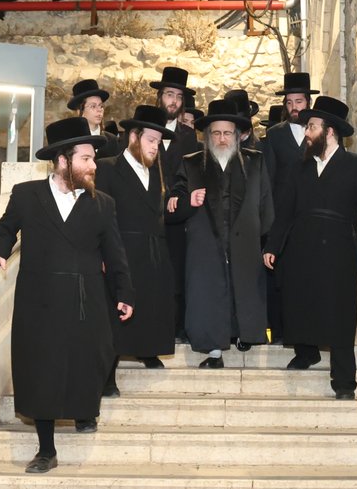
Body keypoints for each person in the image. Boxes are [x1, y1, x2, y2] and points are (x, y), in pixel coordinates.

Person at [0, 117, 134, 473]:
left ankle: (84, 410)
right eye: (86, 158)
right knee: (42, 370)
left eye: (93, 159)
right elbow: (4, 228)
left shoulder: (103, 203)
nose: (93, 165)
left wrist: (124, 292)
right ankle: (46, 450)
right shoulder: (27, 195)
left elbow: (115, 254)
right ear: (63, 160)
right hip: (40, 299)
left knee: (89, 359)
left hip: (86, 299)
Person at [264, 96, 357, 399]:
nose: (307, 133)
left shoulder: (356, 165)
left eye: (312, 127)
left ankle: (344, 382)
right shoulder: (299, 167)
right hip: (301, 249)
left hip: (339, 251)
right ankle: (306, 352)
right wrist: (273, 246)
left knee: (341, 315)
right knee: (300, 302)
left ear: (329, 131)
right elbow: (285, 212)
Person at [167, 99, 274, 367]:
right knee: (209, 295)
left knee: (244, 289)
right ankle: (214, 351)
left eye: (227, 133)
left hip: (245, 242)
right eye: (216, 133)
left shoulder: (255, 161)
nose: (222, 139)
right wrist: (188, 200)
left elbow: (266, 205)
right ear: (207, 136)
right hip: (206, 244)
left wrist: (268, 242)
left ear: (237, 135)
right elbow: (173, 203)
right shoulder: (191, 164)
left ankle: (243, 334)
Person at [96, 105, 176, 389]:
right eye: (151, 140)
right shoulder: (107, 168)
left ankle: (147, 350)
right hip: (121, 250)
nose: (156, 147)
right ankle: (107, 376)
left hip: (152, 250)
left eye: (159, 141)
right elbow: (101, 215)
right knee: (116, 314)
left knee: (150, 304)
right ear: (133, 137)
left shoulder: (156, 171)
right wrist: (103, 252)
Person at [261, 72, 318, 341]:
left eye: (299, 101)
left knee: (310, 279)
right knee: (281, 280)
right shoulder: (275, 135)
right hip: (282, 219)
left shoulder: (319, 131)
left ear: (308, 102)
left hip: (312, 218)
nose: (294, 107)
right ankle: (282, 333)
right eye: (290, 102)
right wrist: (270, 224)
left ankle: (309, 333)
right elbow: (268, 180)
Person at [153, 66, 197, 342]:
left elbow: (190, 174)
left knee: (178, 274)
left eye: (179, 97)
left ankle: (177, 328)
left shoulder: (188, 136)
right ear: (159, 97)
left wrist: (178, 196)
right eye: (169, 94)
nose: (174, 101)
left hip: (178, 218)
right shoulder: (146, 131)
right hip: (149, 216)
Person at [67, 78, 120, 158]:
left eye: (101, 106)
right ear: (79, 111)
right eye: (93, 106)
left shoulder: (112, 140)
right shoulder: (71, 140)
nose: (99, 110)